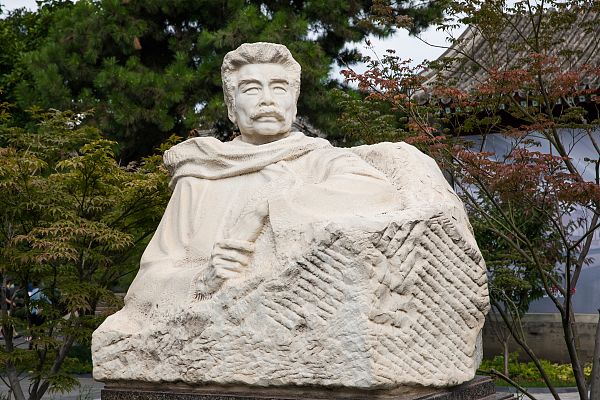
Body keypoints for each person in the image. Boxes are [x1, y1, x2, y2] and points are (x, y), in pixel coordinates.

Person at [108, 42, 399, 333]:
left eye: (279, 88)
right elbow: (144, 287)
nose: (267, 100)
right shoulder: (199, 178)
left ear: (294, 104)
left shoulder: (317, 160)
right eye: (251, 90)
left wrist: (267, 209)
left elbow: (378, 192)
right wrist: (202, 278)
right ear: (232, 107)